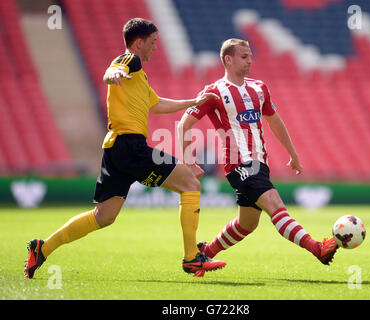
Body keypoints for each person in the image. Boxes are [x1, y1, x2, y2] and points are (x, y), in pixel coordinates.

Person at [24, 18, 226, 279]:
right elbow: (112, 70)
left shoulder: (138, 76)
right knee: (191, 183)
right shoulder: (131, 61)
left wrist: (195, 100)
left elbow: (157, 104)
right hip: (131, 146)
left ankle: (43, 248)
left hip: (115, 148)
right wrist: (113, 74)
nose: (156, 47)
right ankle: (192, 258)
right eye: (153, 42)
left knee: (104, 216)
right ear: (139, 42)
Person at [178, 38, 339, 266]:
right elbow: (183, 125)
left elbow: (274, 121)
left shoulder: (259, 88)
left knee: (247, 224)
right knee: (275, 204)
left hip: (259, 164)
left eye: (250, 56)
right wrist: (189, 161)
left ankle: (206, 251)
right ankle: (318, 249)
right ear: (228, 60)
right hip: (239, 165)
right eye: (244, 57)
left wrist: (292, 153)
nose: (249, 61)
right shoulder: (213, 92)